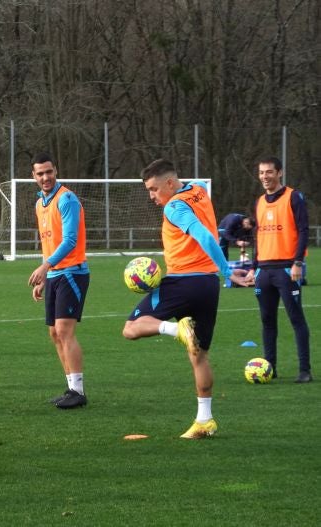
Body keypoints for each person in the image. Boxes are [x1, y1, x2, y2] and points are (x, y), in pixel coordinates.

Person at [122, 159, 250, 439]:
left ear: (169, 183)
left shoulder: (175, 206)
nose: (152, 196)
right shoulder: (200, 189)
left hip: (183, 281)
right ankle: (205, 420)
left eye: (154, 189)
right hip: (207, 285)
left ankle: (175, 330)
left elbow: (204, 235)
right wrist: (222, 275)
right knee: (199, 354)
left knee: (131, 328)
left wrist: (228, 270)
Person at [26, 153, 90, 409]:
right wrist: (45, 278)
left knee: (65, 331)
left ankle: (78, 391)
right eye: (40, 173)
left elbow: (70, 240)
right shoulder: (40, 203)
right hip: (54, 275)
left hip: (72, 273)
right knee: (54, 333)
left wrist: (45, 266)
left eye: (49, 172)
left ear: (56, 171)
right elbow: (48, 242)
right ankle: (70, 387)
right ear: (33, 176)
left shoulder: (67, 199)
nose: (45, 177)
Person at [244, 156, 311, 383]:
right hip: (264, 270)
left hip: (286, 268)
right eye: (262, 172)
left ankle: (305, 370)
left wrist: (298, 262)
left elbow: (303, 231)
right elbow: (258, 236)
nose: (265, 176)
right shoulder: (259, 201)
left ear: (279, 173)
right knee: (267, 320)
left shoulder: (294, 197)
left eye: (269, 172)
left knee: (296, 319)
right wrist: (254, 267)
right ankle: (269, 368)